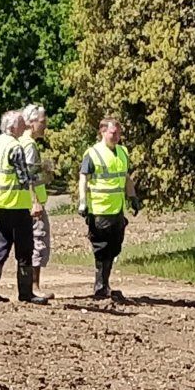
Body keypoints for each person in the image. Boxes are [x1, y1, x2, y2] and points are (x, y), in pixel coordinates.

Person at [0, 111, 48, 306]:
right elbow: (23, 178)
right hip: (15, 204)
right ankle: (26, 293)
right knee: (25, 249)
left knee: (0, 246)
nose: (25, 127)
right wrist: (44, 178)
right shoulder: (15, 147)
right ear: (12, 127)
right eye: (21, 124)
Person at [77, 115, 134, 301]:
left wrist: (132, 197)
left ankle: (104, 284)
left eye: (118, 133)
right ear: (102, 132)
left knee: (114, 248)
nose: (116, 136)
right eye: (113, 132)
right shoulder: (93, 154)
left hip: (117, 210)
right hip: (100, 210)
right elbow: (83, 178)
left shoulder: (123, 152)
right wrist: (83, 202)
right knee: (102, 249)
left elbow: (125, 177)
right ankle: (100, 287)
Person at [22, 104, 53, 300]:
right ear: (31, 122)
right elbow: (29, 177)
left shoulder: (22, 142)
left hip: (22, 203)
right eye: (42, 121)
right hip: (33, 205)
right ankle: (34, 286)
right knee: (38, 241)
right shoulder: (30, 146)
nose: (45, 125)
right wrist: (35, 201)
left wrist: (46, 173)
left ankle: (30, 286)